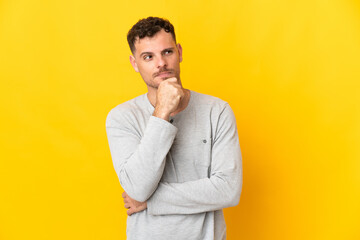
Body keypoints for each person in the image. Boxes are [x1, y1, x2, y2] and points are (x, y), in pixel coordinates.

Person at [105, 16, 242, 240]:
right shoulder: (122, 118)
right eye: (148, 57)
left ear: (179, 51)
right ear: (134, 64)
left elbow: (228, 190)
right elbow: (138, 188)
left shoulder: (217, 111)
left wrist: (150, 201)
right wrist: (162, 112)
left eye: (167, 52)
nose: (161, 63)